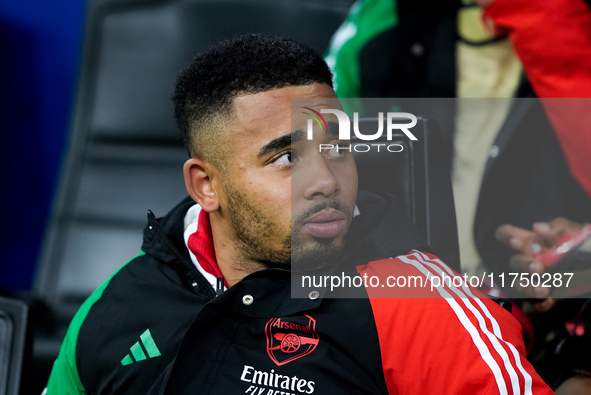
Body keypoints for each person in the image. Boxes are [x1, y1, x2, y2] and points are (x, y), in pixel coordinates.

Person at [44, 33, 552, 394]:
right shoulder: (120, 300)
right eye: (286, 158)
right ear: (207, 185)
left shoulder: (422, 308)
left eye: (337, 148)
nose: (328, 182)